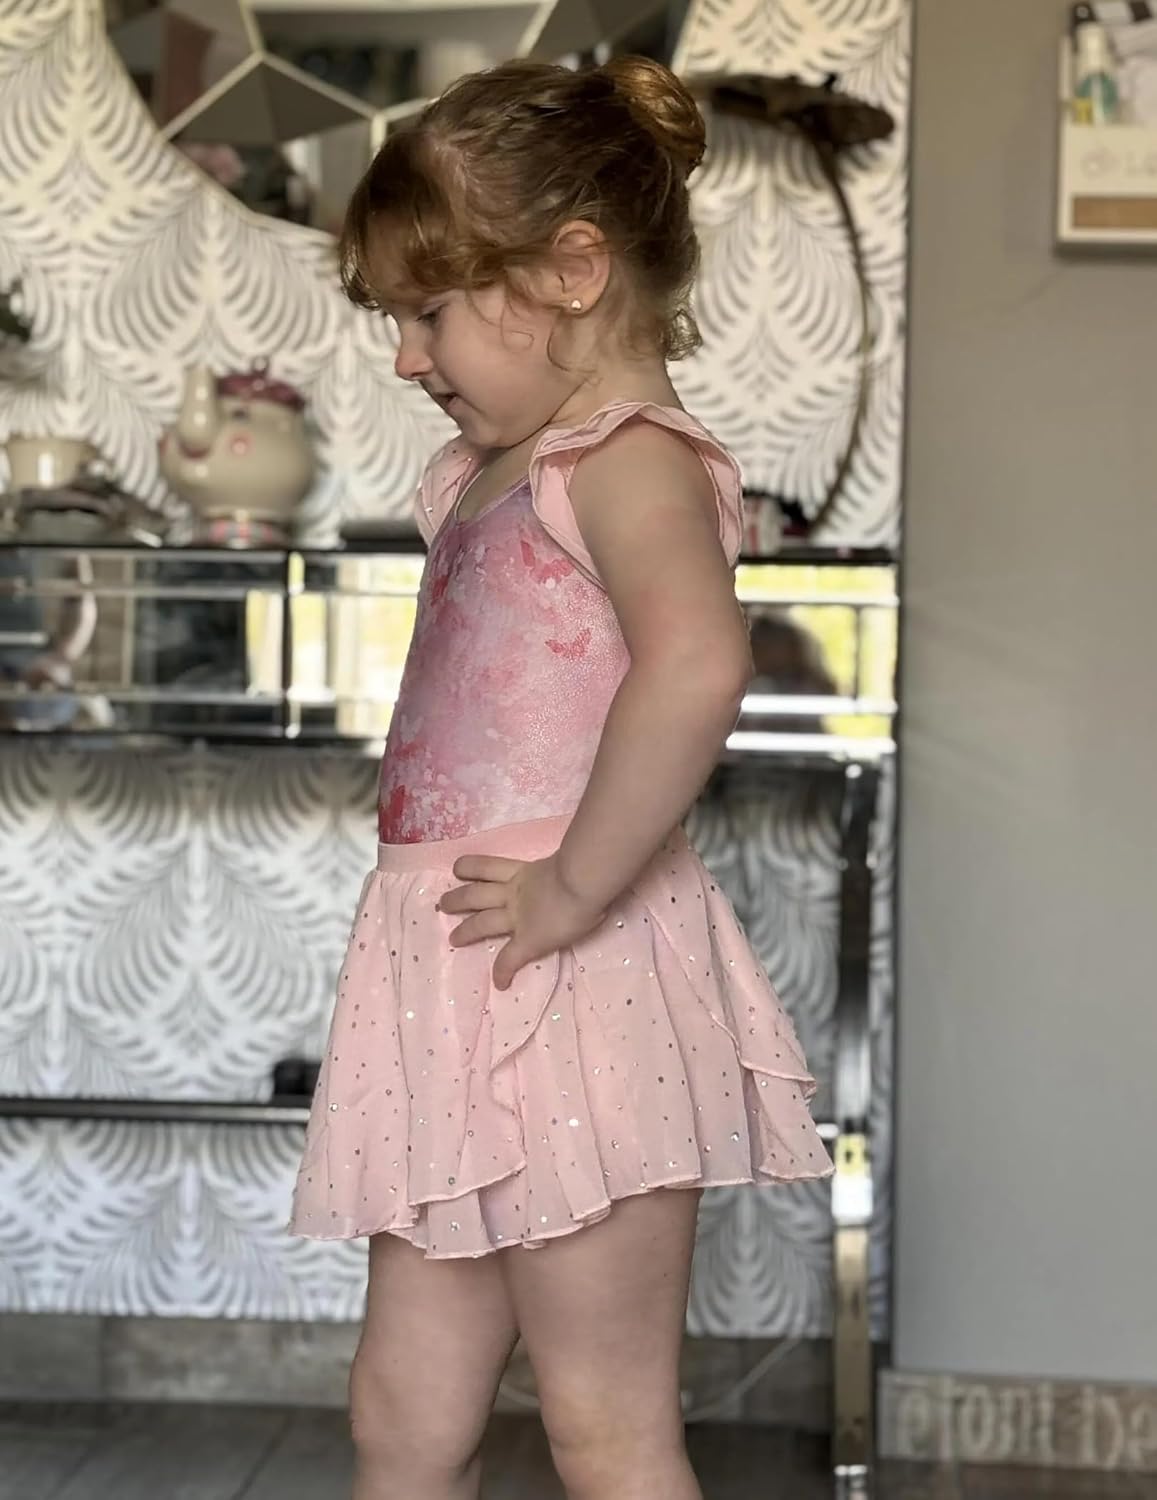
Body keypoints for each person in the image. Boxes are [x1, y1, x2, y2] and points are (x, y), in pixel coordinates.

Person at [289, 54, 831, 1500]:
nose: (407, 357)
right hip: (455, 971)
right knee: (401, 1412)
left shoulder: (624, 460)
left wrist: (577, 886)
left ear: (573, 271)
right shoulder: (499, 466)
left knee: (602, 1419)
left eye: (430, 312)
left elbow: (696, 664)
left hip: (575, 975)